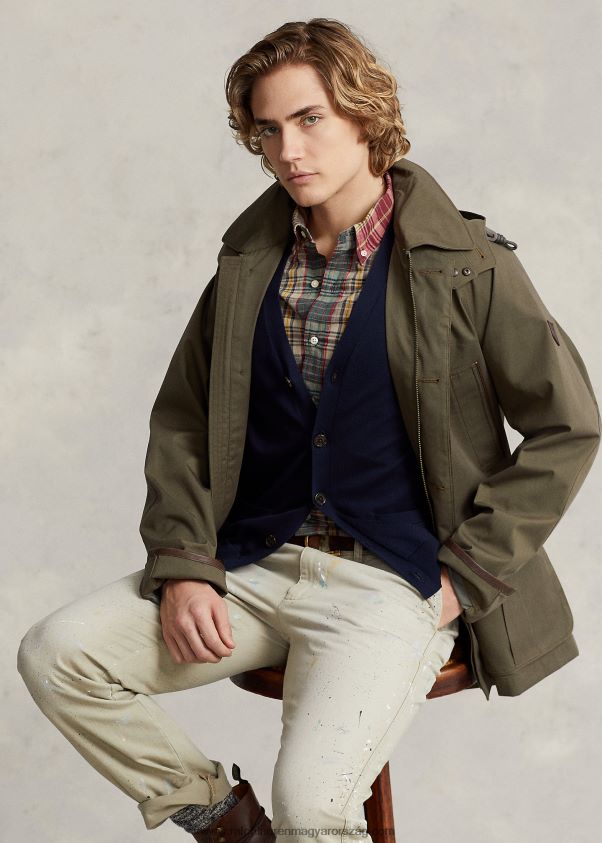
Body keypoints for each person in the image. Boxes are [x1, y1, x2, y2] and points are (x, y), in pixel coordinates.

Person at [17, 17, 600, 843]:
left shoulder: (470, 264)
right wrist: (185, 565)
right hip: (254, 564)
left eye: (309, 119)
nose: (288, 150)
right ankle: (227, 822)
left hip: (394, 583)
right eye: (268, 129)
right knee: (57, 655)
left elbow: (568, 427)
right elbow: (183, 423)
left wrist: (463, 578)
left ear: (365, 115)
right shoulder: (248, 265)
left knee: (313, 806)